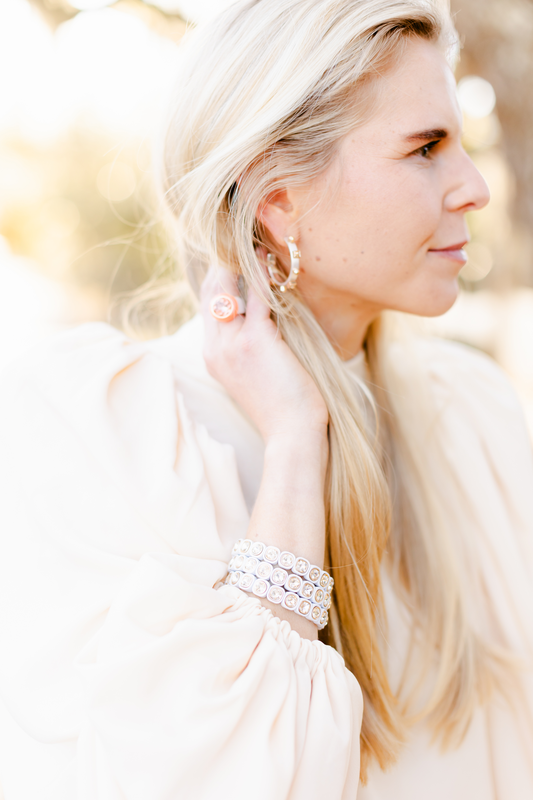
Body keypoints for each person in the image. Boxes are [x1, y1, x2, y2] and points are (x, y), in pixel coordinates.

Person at [0, 0, 532, 798]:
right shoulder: (97, 432)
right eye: (424, 148)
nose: (474, 188)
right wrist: (294, 441)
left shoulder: (474, 414)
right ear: (277, 195)